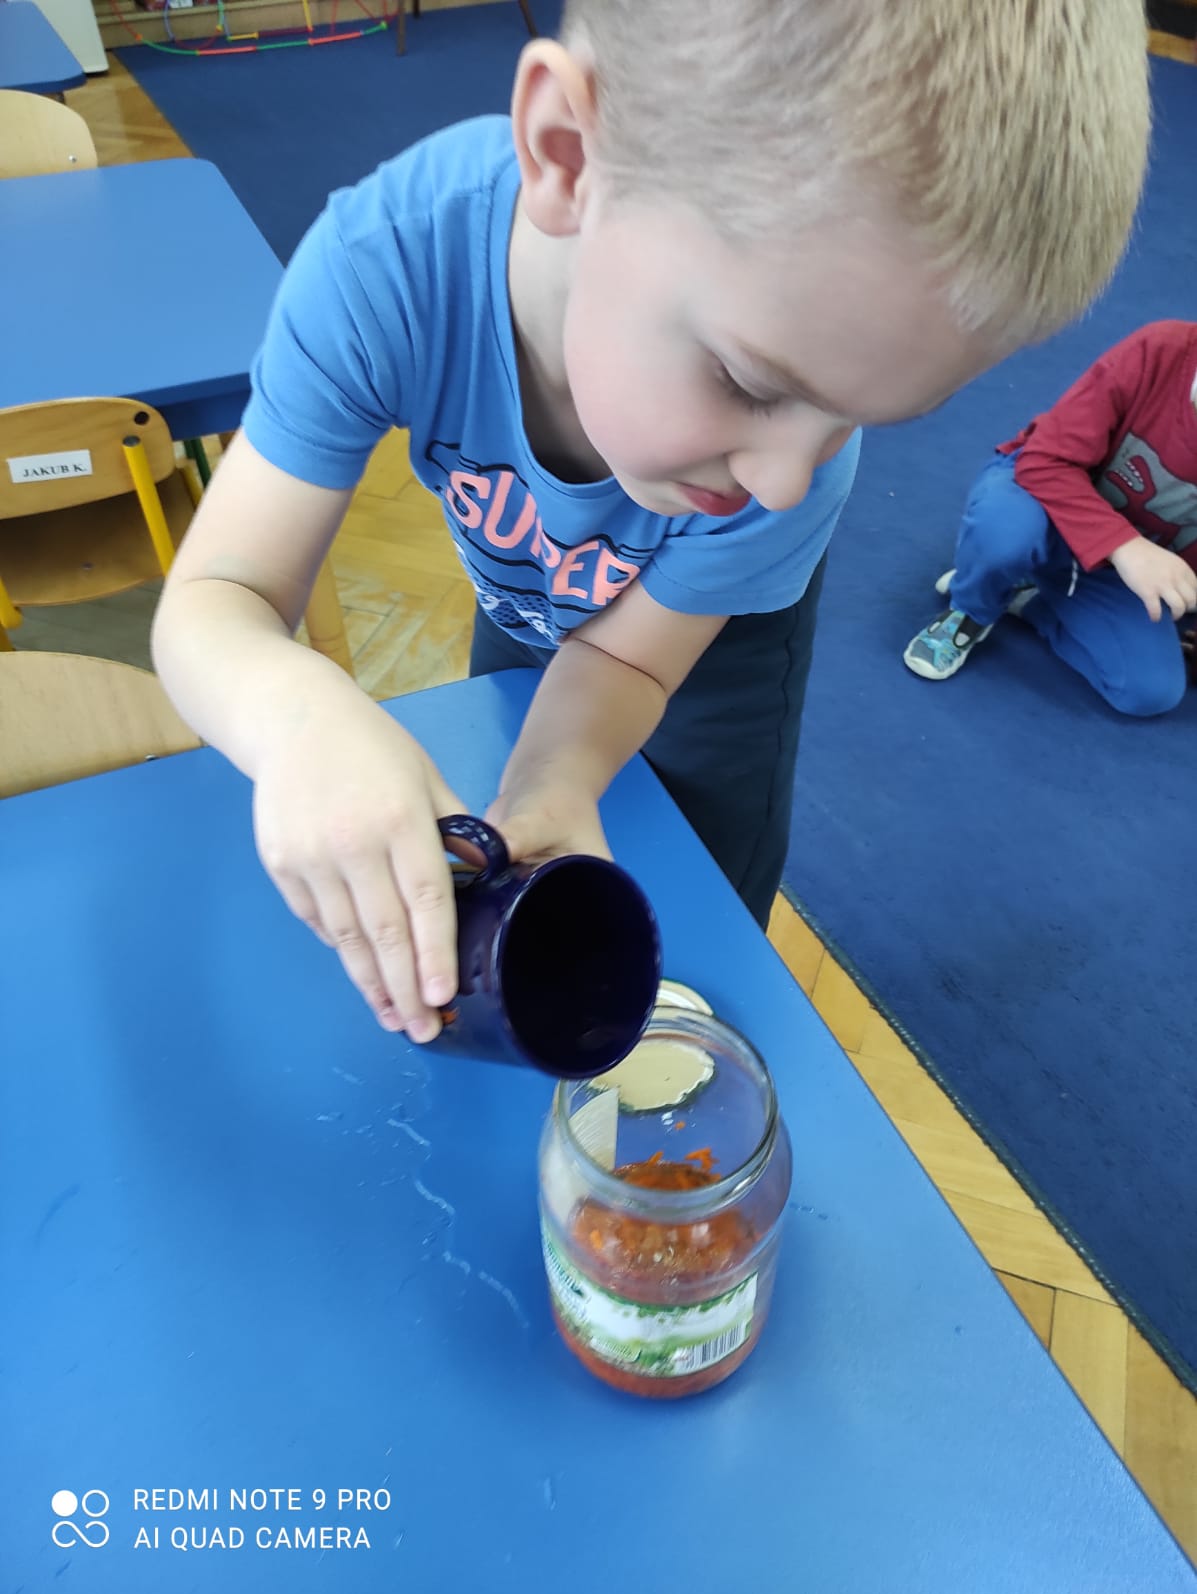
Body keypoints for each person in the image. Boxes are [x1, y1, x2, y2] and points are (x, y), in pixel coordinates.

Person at [151, 0, 1149, 1042]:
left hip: (713, 645)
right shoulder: (384, 266)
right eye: (750, 382)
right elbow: (215, 599)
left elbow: (630, 662)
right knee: (515, 743)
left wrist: (556, 779)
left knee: (705, 886)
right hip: (526, 592)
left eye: (854, 416)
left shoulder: (784, 467)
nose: (786, 484)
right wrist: (299, 721)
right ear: (569, 156)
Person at [904, 320, 1197, 710]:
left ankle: (1030, 598)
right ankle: (972, 609)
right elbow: (1045, 461)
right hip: (1043, 498)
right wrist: (1126, 545)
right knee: (1005, 534)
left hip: (1119, 567)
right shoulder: (1163, 350)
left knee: (1150, 691)